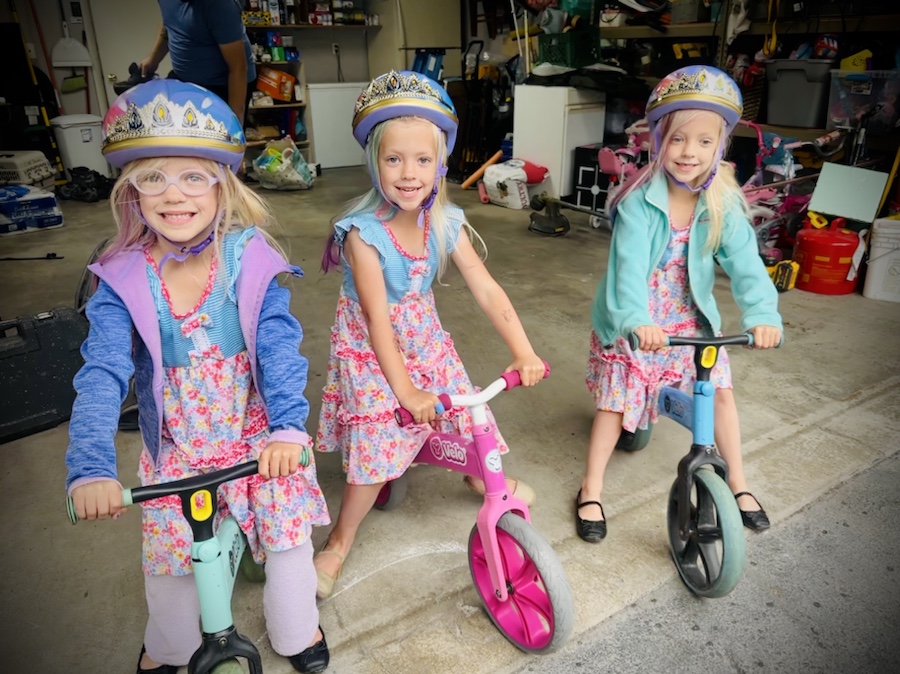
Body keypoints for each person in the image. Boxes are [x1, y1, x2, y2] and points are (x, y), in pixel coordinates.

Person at [65, 80, 331, 674]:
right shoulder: (122, 276)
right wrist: (91, 468)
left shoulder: (248, 259)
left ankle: (297, 629)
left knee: (290, 544)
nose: (173, 194)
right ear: (131, 190)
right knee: (170, 577)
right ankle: (167, 646)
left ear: (222, 185)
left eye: (193, 176)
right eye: (152, 177)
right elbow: (102, 373)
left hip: (255, 435)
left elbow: (279, 351)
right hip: (178, 449)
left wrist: (288, 429)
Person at [313, 70, 545, 599]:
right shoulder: (363, 235)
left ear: (441, 163)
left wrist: (524, 351)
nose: (409, 174)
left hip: (422, 336)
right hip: (372, 348)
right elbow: (377, 321)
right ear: (374, 162)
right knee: (379, 435)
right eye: (394, 159)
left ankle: (478, 474)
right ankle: (340, 540)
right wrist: (405, 391)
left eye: (422, 160)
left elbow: (486, 289)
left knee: (465, 407)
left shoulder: (445, 221)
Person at [576, 65, 783, 543]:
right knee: (617, 403)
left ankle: (738, 483)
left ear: (720, 146)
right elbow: (628, 273)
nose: (690, 152)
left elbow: (747, 267)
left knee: (720, 390)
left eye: (704, 142)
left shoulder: (722, 204)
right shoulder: (638, 204)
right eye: (677, 139)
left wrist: (762, 315)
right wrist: (635, 320)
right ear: (658, 140)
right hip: (637, 317)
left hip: (690, 317)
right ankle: (591, 489)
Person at [139, 0, 256, 125]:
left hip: (225, 84)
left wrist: (234, 121)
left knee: (218, 133)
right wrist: (153, 59)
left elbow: (238, 68)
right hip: (186, 80)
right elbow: (170, 22)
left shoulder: (221, 5)